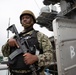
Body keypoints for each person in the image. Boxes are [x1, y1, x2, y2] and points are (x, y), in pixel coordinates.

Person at [1, 10, 53, 75]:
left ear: (33, 20)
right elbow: (5, 53)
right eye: (23, 18)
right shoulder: (14, 37)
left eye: (27, 18)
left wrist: (35, 58)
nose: (24, 20)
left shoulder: (40, 36)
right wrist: (8, 43)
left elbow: (50, 56)